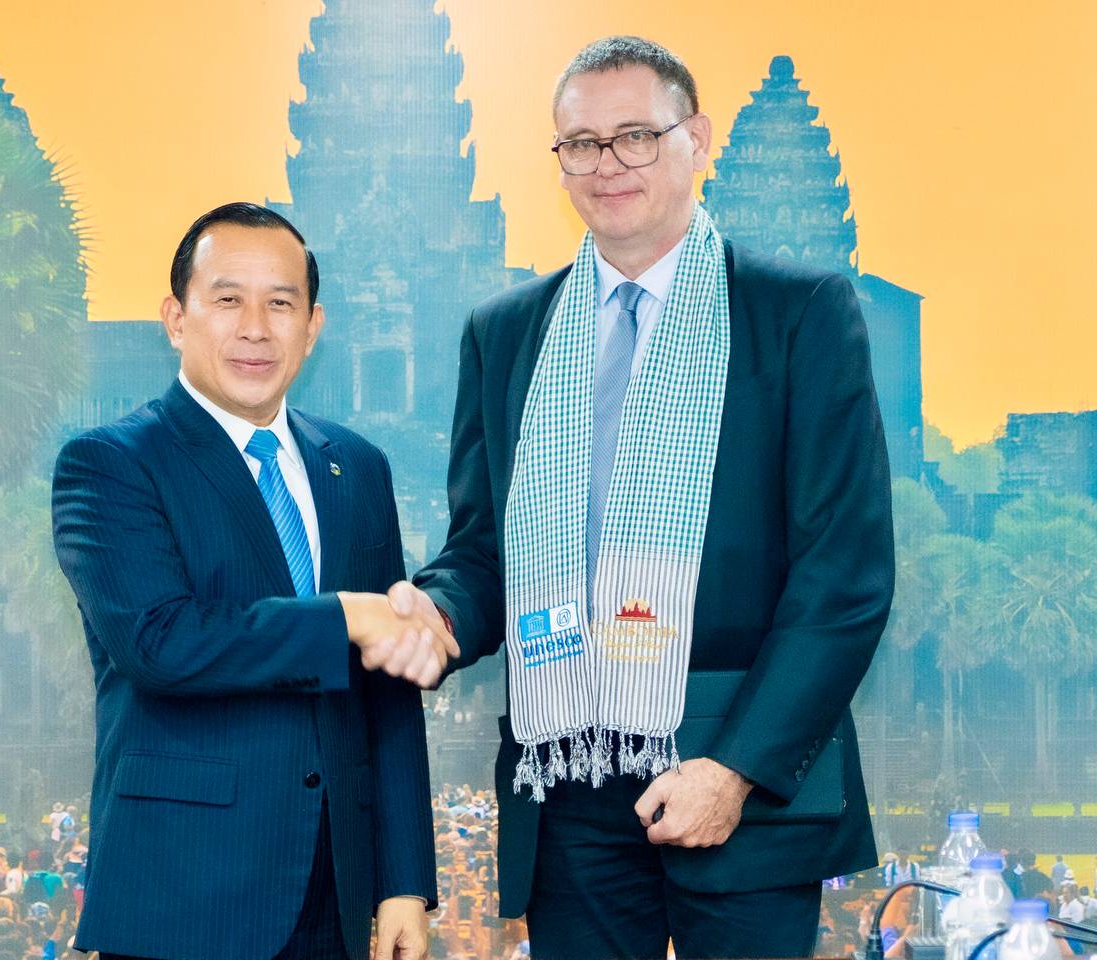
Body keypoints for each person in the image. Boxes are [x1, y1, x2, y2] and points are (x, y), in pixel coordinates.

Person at [395, 34, 893, 960]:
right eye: (581, 144)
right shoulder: (506, 334)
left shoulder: (796, 314)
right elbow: (484, 551)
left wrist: (735, 769)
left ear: (694, 139)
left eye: (636, 136)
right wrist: (437, 615)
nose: (607, 164)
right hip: (566, 774)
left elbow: (844, 576)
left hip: (732, 769)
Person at [52, 202, 455, 960]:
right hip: (182, 895)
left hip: (335, 896)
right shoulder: (111, 463)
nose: (255, 328)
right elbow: (160, 643)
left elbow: (388, 689)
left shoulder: (357, 467)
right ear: (176, 318)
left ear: (313, 326)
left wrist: (403, 879)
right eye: (228, 299)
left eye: (280, 304)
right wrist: (345, 617)